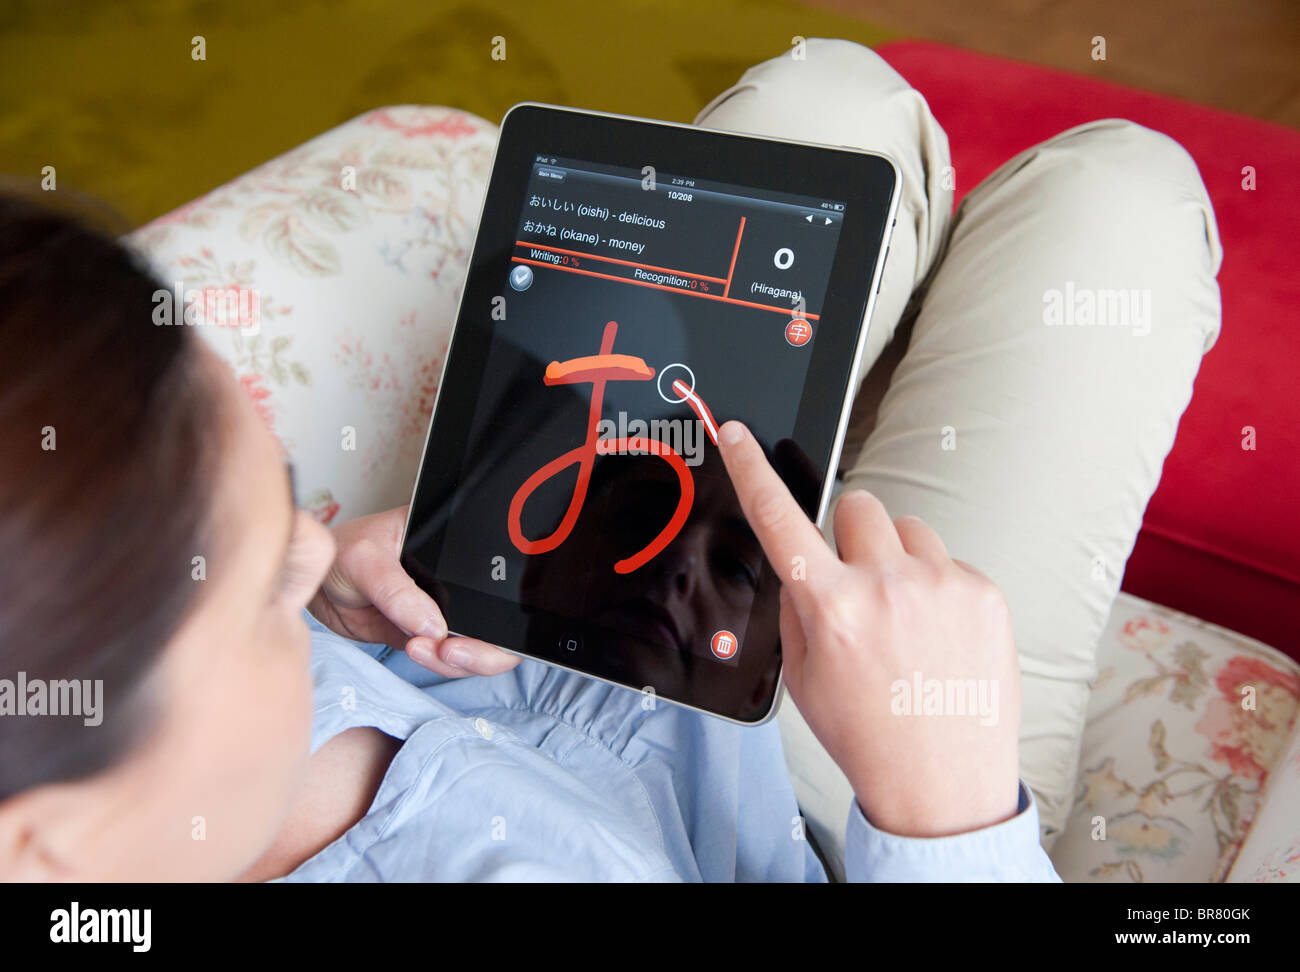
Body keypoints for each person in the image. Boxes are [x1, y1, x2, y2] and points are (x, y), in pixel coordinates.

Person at [0, 38, 1220, 881]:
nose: (317, 539)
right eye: (259, 588)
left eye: (281, 504)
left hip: (636, 601)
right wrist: (945, 809)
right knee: (1122, 203)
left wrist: (319, 606)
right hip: (861, 804)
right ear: (47, 846)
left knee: (832, 105)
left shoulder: (129, 741)